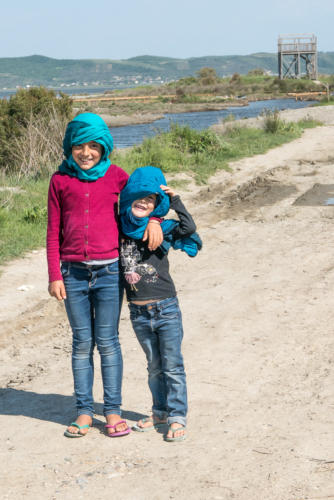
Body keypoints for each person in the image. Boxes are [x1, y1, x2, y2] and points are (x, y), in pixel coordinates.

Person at [47, 113, 162, 438]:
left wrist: (154, 221)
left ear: (104, 147)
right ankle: (84, 411)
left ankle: (112, 411)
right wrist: (55, 274)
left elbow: (141, 209)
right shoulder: (59, 181)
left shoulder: (118, 178)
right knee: (82, 343)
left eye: (93, 146)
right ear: (70, 146)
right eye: (79, 146)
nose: (86, 152)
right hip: (72, 273)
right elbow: (52, 230)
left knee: (108, 342)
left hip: (111, 272)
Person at [119, 166, 202, 442]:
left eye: (150, 199)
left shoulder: (164, 227)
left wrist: (173, 202)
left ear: (157, 204)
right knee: (154, 366)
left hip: (166, 307)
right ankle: (160, 412)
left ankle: (177, 417)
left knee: (173, 365)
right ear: (129, 198)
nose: (143, 202)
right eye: (138, 197)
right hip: (138, 311)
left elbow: (189, 227)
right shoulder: (120, 226)